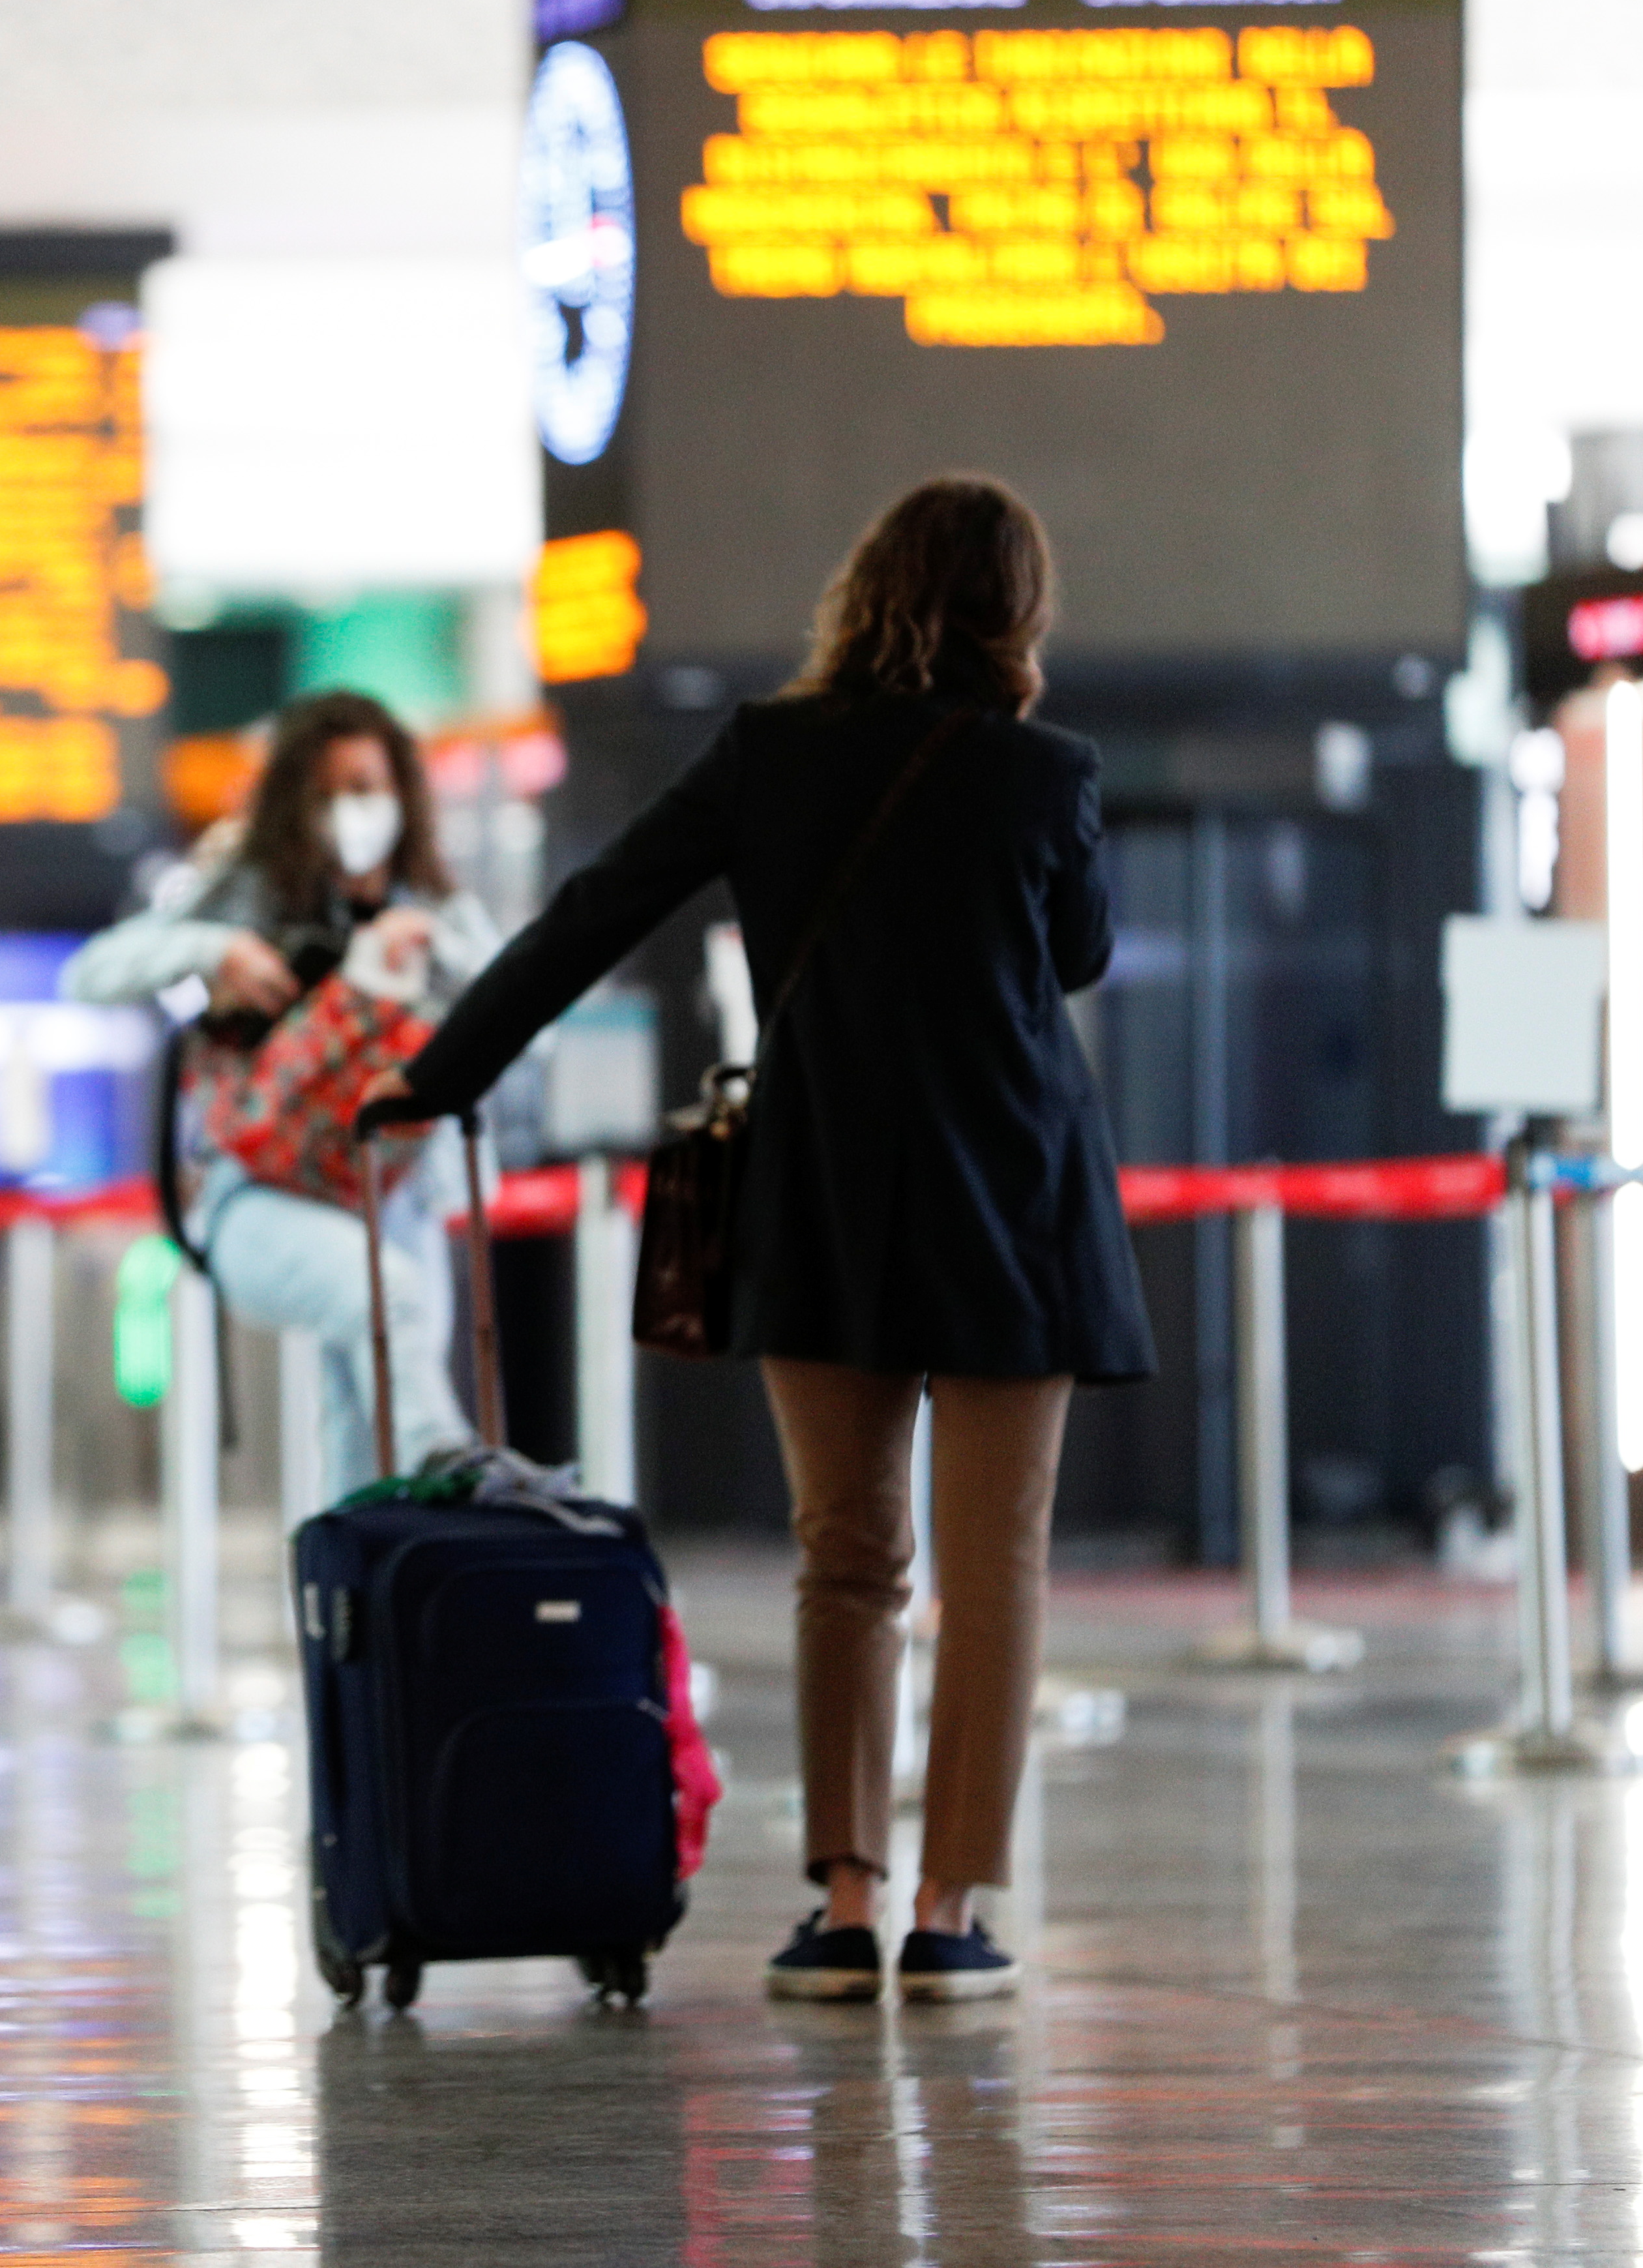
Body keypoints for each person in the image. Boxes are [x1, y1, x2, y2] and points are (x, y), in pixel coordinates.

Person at [366, 475, 1153, 2003]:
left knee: (843, 1555)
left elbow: (587, 913)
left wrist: (439, 1075)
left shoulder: (764, 756)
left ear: (861, 591)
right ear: (1015, 613)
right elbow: (1076, 954)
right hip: (1012, 1198)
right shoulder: (1044, 771)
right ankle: (949, 1903)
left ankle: (843, 1902)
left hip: (826, 1195)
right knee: (990, 1567)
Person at [62, 690, 503, 1485]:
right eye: (328, 791)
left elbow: (515, 1011)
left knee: (359, 1418)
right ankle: (458, 1481)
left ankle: (369, 1590)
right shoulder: (248, 890)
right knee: (388, 1312)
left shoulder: (438, 907)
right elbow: (92, 971)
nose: (350, 811)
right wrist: (215, 948)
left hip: (397, 1191)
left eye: (367, 787)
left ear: (403, 791)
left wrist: (424, 960)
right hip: (264, 1187)